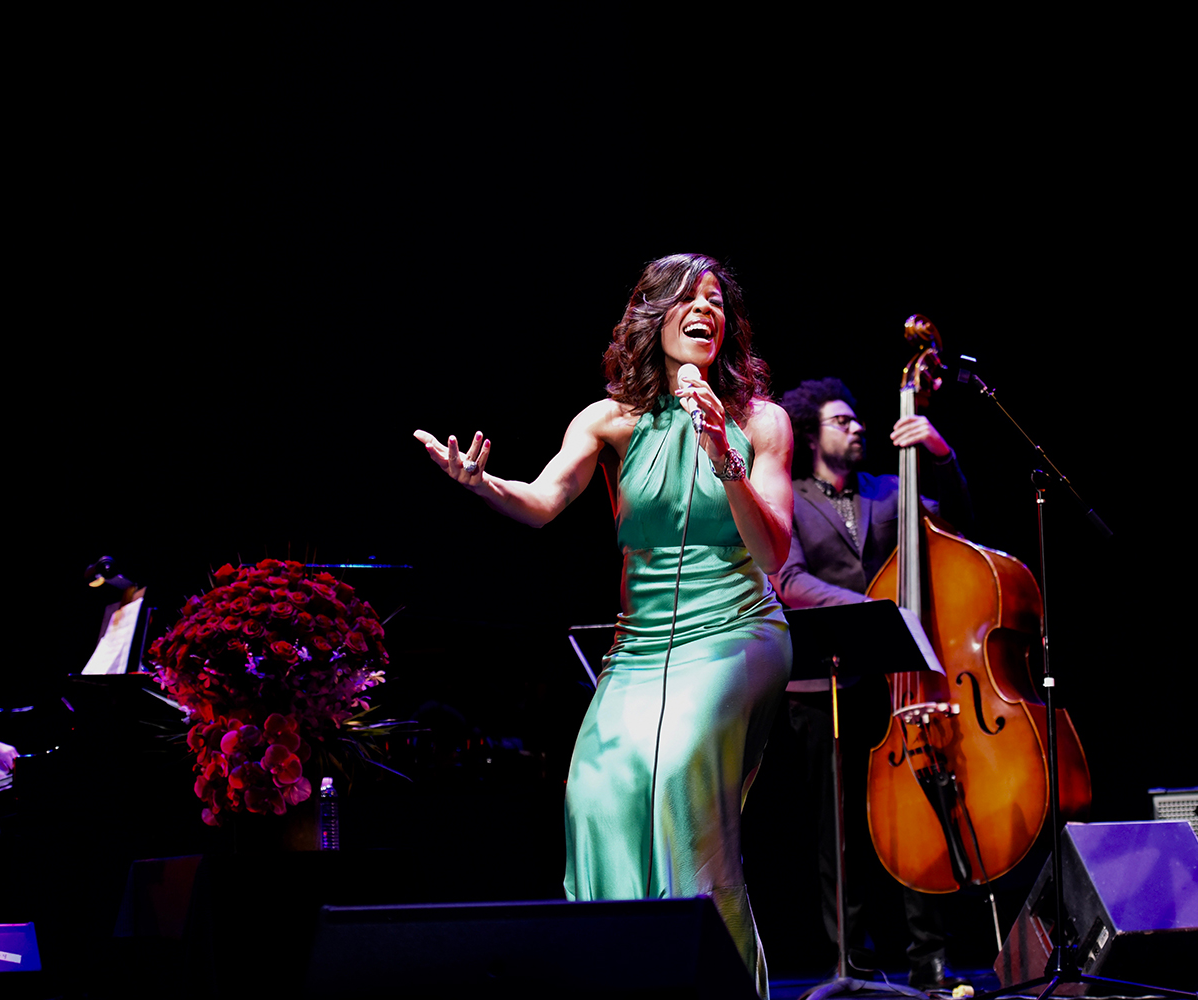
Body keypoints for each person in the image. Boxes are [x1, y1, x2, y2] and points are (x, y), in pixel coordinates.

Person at [415, 253, 793, 998]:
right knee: (597, 789)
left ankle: (719, 984)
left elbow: (775, 551)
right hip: (642, 643)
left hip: (738, 628)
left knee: (681, 774)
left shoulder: (761, 421)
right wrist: (479, 482)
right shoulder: (608, 420)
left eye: (716, 301)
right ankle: (618, 980)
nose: (704, 310)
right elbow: (544, 499)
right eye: (687, 298)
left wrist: (723, 453)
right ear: (654, 319)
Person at [772, 377, 972, 990]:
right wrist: (875, 609)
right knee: (837, 833)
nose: (857, 427)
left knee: (917, 817)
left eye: (858, 420)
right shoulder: (789, 497)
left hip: (898, 684)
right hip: (823, 687)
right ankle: (848, 962)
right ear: (810, 435)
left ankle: (928, 956)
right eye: (842, 420)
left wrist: (941, 455)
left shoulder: (892, 490)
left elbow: (958, 524)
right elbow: (788, 579)